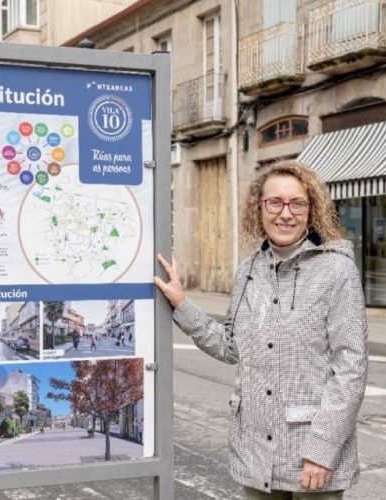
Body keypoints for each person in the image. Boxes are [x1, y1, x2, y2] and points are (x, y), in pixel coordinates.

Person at [154, 161, 368, 498]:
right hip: (256, 454)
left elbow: (351, 369)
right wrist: (182, 304)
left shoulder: (336, 270)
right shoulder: (248, 271)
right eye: (275, 203)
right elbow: (230, 347)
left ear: (311, 209)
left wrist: (322, 450)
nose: (285, 213)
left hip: (311, 456)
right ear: (259, 208)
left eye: (297, 203)